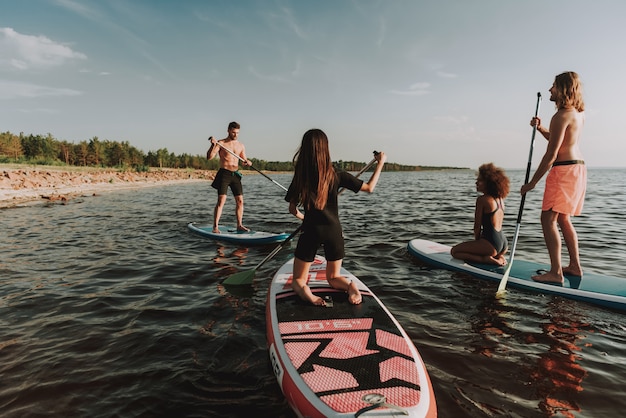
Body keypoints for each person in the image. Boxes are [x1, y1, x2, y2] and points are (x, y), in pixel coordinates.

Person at [285, 129, 387, 306]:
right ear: (326, 149)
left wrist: (304, 219)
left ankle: (308, 294)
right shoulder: (338, 174)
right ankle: (350, 287)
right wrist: (380, 163)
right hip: (334, 231)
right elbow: (370, 188)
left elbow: (292, 209)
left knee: (298, 281)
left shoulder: (300, 177)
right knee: (333, 277)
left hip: (311, 231)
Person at [520, 71, 587, 284]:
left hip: (563, 170)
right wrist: (540, 128)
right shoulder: (576, 113)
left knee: (548, 219)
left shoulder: (560, 116)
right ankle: (575, 266)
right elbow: (560, 140)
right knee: (564, 219)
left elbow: (551, 153)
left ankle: (555, 273)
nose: (550, 90)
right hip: (577, 169)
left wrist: (532, 183)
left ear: (564, 89)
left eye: (554, 86)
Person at [451, 163, 511, 266]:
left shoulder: (482, 200)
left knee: (455, 252)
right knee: (492, 250)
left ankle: (485, 259)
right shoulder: (500, 200)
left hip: (491, 245)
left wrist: (478, 245)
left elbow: (477, 227)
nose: (476, 182)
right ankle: (499, 256)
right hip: (504, 244)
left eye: (480, 180)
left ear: (489, 183)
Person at [207, 121, 251, 233]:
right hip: (224, 173)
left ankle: (239, 225)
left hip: (235, 174)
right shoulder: (221, 143)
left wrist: (247, 162)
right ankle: (215, 227)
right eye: (233, 132)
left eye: (237, 133)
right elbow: (209, 157)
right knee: (221, 200)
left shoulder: (241, 145)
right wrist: (213, 145)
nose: (236, 135)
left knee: (240, 201)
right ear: (228, 131)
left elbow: (243, 160)